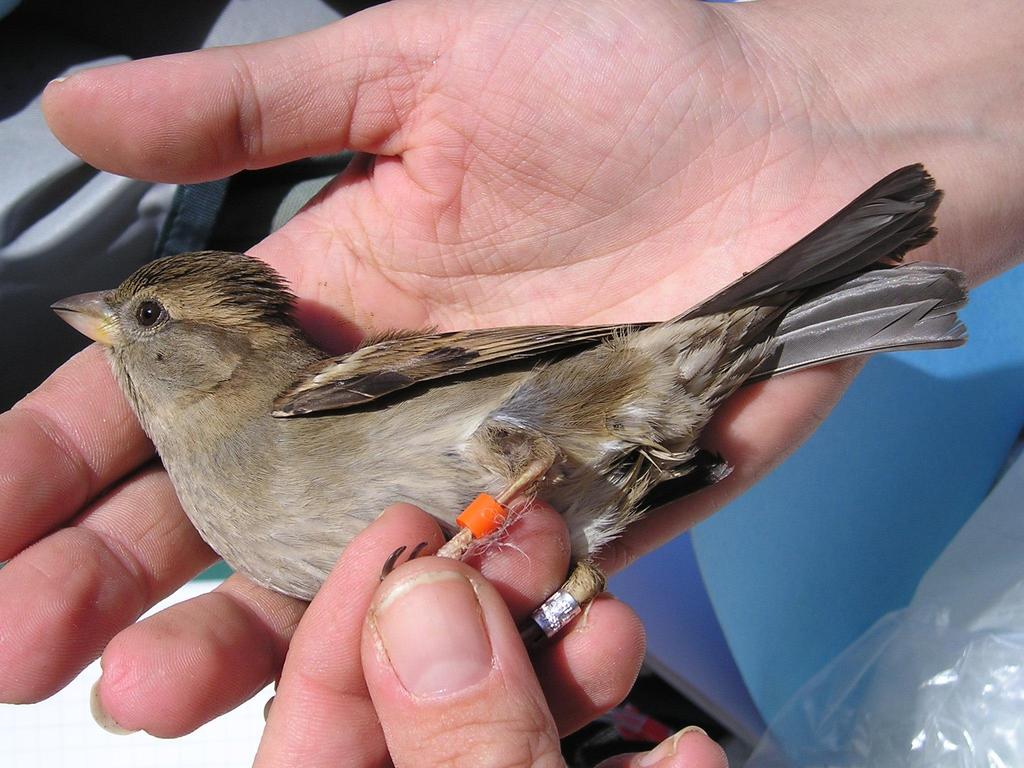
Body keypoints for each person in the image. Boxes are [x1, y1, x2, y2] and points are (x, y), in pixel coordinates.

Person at [1, 0, 1020, 765]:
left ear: (217, 351)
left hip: (569, 395)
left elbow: (493, 381)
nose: (106, 326)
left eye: (143, 318)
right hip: (596, 486)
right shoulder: (224, 509)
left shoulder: (296, 398)